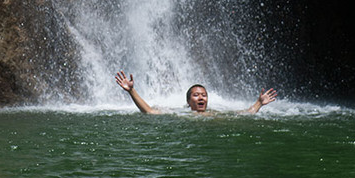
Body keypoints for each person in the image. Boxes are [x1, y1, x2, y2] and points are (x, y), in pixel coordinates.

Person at [115, 71, 277, 115]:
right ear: (188, 101)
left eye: (204, 95)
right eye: (196, 95)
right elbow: (149, 111)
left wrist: (259, 103)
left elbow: (245, 113)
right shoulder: (179, 114)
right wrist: (131, 91)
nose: (201, 97)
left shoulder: (214, 114)